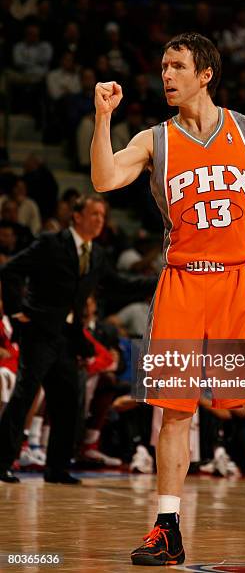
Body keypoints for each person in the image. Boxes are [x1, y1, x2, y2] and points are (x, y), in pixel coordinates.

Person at [91, 32, 245, 568]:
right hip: (183, 281)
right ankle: (167, 527)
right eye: (163, 67)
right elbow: (103, 178)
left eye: (177, 66)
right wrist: (102, 118)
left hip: (241, 280)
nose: (166, 75)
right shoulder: (153, 140)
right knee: (174, 411)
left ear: (204, 73)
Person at [0, 194, 153, 484]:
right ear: (77, 216)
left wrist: (159, 281)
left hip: (67, 337)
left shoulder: (97, 254)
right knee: (24, 396)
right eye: (94, 214)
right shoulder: (50, 243)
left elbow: (120, 285)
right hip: (39, 332)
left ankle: (56, 469)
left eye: (103, 216)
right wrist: (18, 310)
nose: (99, 220)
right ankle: (1, 462)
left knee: (68, 401)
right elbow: (10, 271)